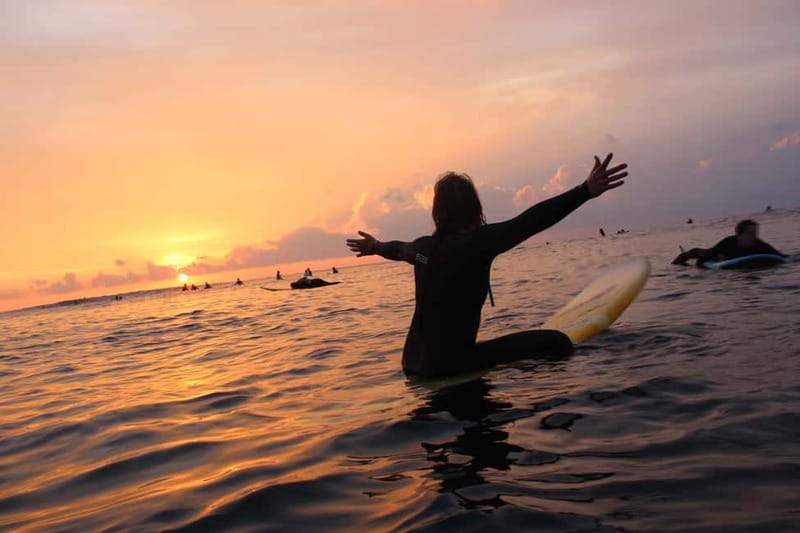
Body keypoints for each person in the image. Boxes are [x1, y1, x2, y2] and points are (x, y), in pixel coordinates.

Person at [346, 153, 628, 378]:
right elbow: (531, 220)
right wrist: (584, 191)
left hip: (412, 365)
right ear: (474, 207)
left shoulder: (423, 252)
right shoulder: (479, 244)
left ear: (437, 212)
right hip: (450, 366)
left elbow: (397, 249)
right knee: (557, 342)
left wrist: (374, 247)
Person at [671, 219, 787, 267]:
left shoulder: (759, 244)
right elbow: (701, 262)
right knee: (695, 253)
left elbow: (781, 257)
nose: (753, 237)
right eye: (749, 233)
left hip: (731, 258)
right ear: (739, 234)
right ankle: (678, 260)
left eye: (755, 233)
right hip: (713, 253)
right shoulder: (729, 242)